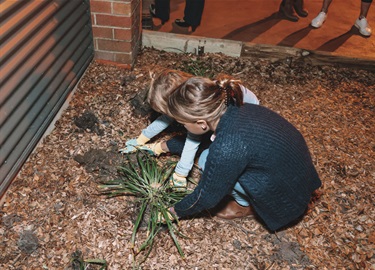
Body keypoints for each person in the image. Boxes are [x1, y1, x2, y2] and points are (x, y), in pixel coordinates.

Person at [165, 77, 321, 232]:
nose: (183, 127)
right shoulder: (238, 107)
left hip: (285, 198)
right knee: (212, 155)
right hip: (299, 175)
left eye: (183, 124)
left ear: (201, 123)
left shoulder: (227, 146)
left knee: (207, 160)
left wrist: (176, 211)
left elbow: (207, 196)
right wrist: (166, 146)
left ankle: (243, 206)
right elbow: (206, 139)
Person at [120, 69, 260, 191]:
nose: (168, 116)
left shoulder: (201, 106)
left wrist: (180, 173)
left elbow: (192, 140)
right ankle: (158, 148)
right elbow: (165, 120)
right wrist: (141, 139)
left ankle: (241, 202)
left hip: (244, 121)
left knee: (208, 154)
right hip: (226, 118)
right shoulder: (192, 92)